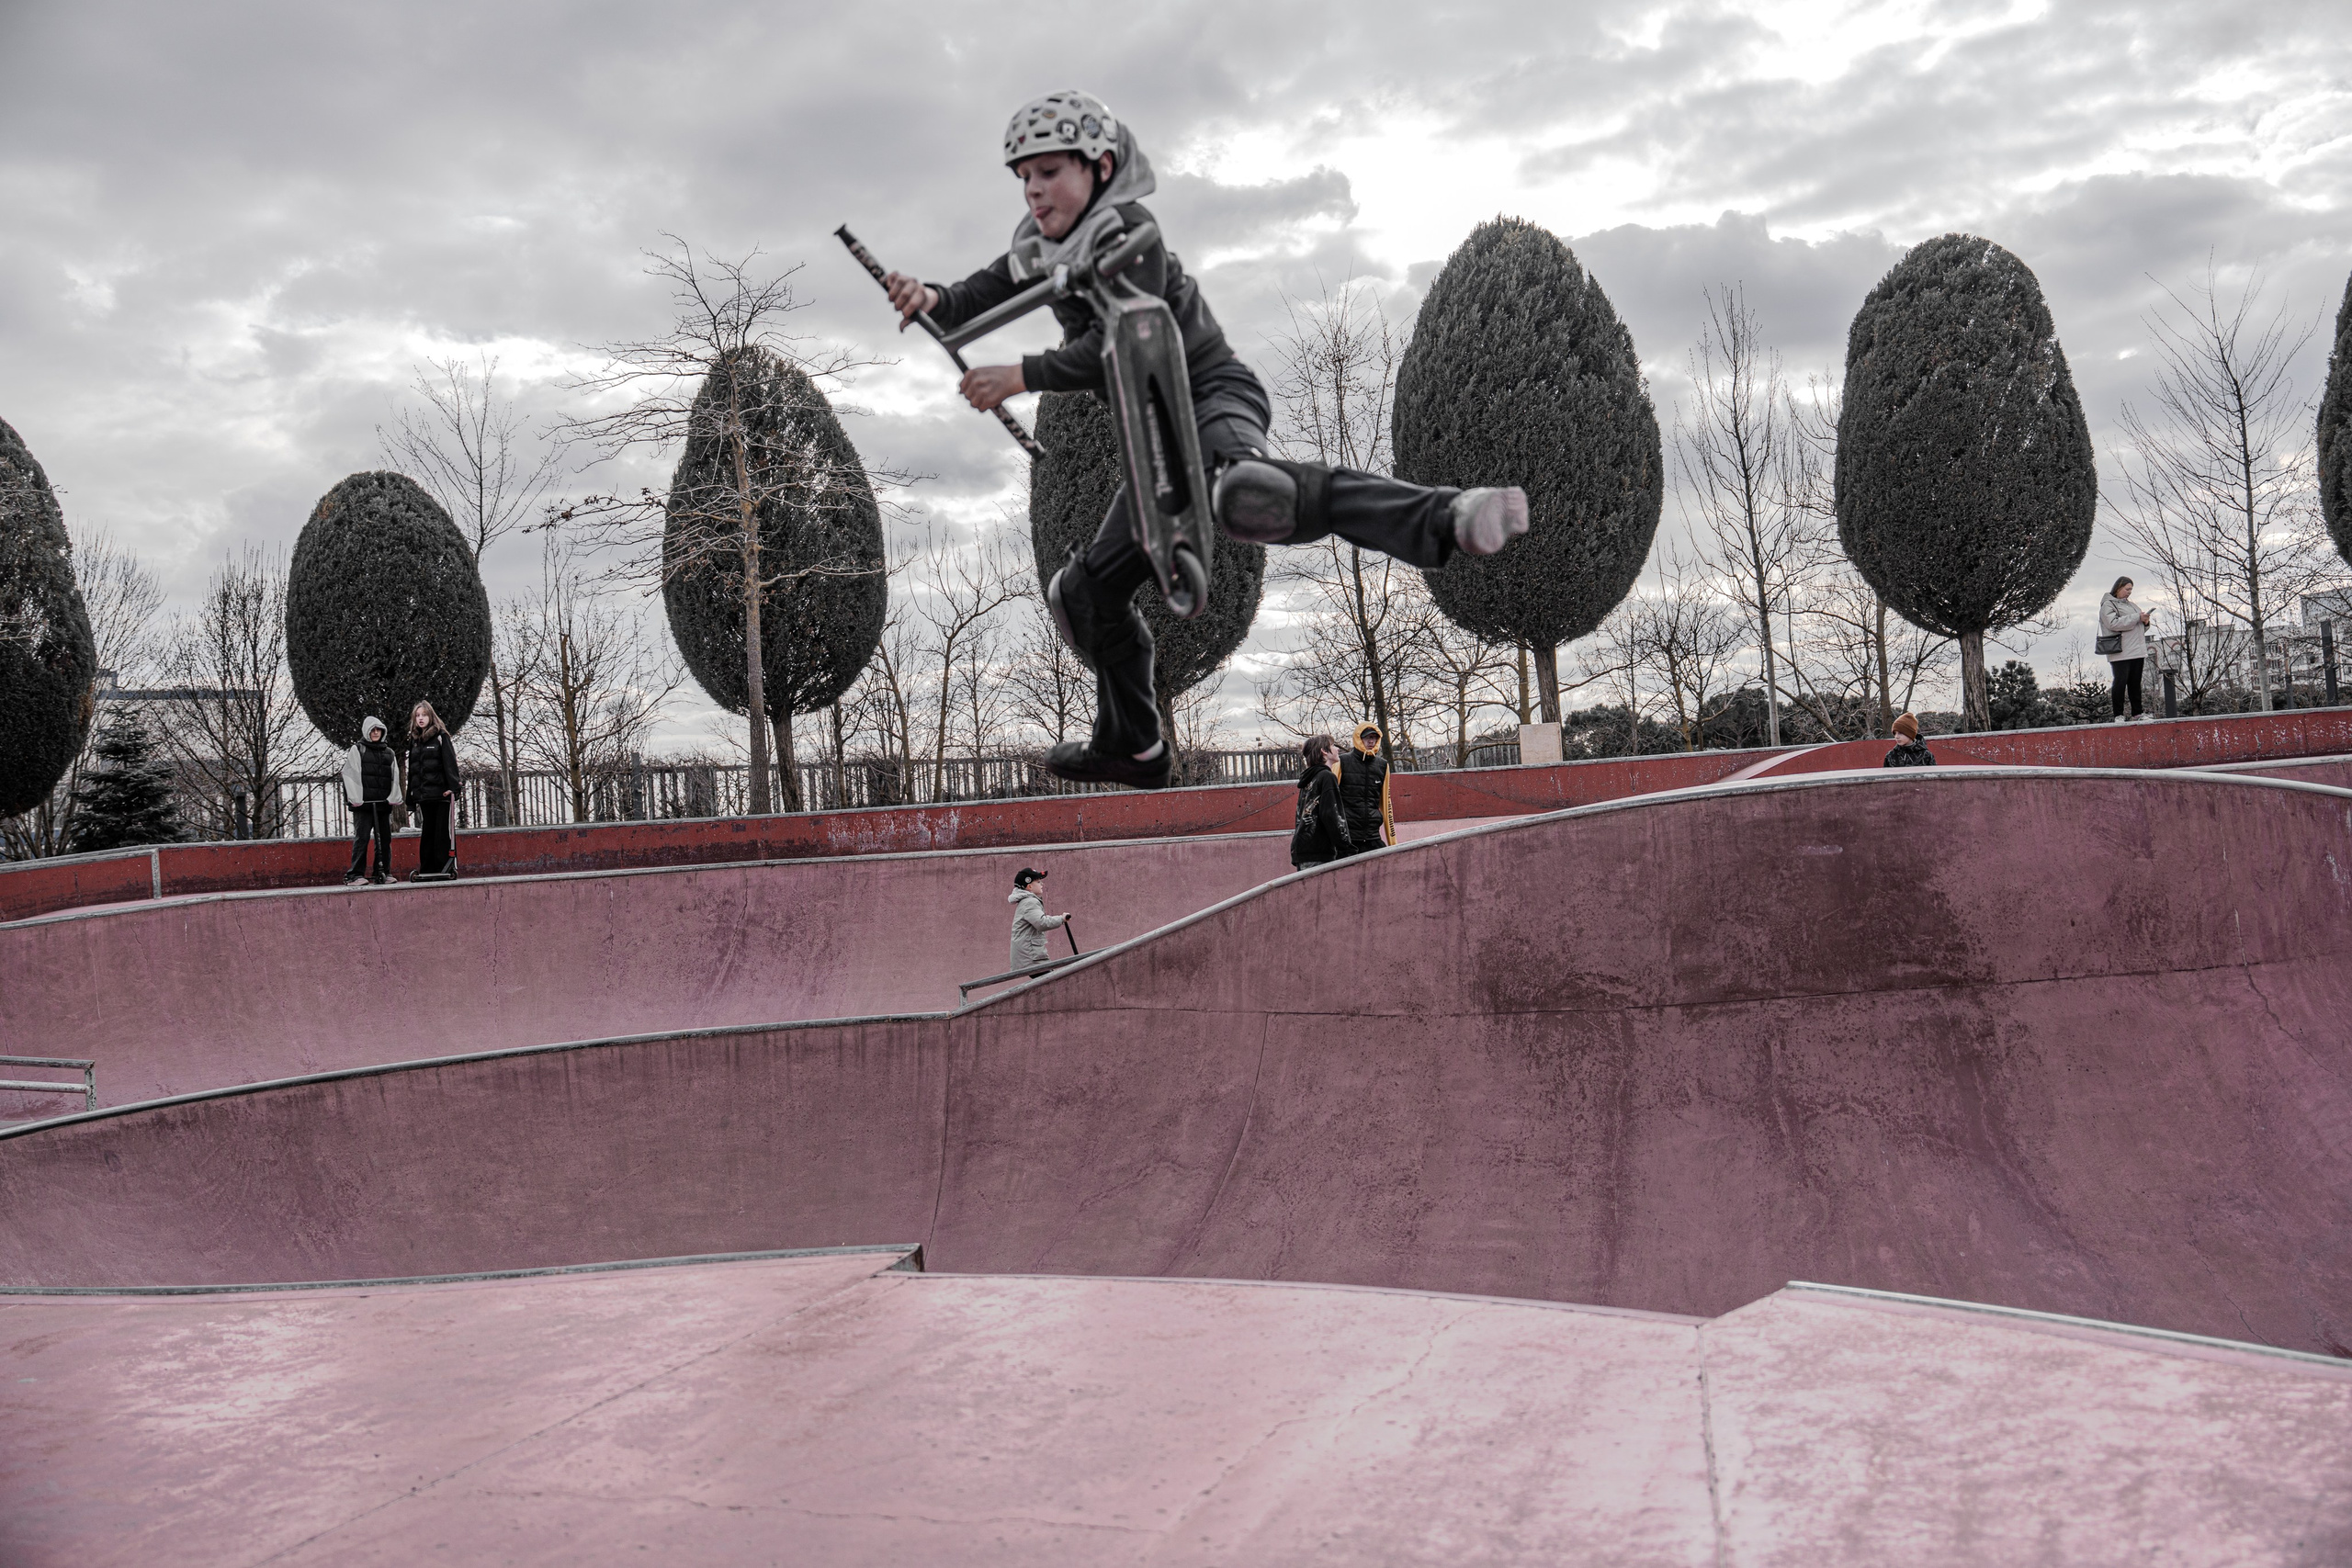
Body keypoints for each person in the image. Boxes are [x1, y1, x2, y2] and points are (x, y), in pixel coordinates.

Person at [883, 91, 1530, 791]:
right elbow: (981, 291)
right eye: (1025, 178)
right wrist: (931, 298)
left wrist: (1022, 374)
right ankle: (1134, 745)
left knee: (1250, 495)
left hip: (1210, 396)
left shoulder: (1129, 237)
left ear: (1099, 167)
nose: (1035, 191)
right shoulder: (1039, 245)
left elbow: (1120, 343)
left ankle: (1448, 516)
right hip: (1156, 436)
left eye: (1050, 173)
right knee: (1084, 594)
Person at [341, 716, 402, 885]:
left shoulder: (389, 753)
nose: (375, 733)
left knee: (384, 839)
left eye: (378, 730)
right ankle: (355, 874)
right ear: (367, 731)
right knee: (362, 838)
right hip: (363, 805)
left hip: (382, 804)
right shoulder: (358, 749)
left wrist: (393, 798)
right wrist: (355, 799)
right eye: (372, 730)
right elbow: (350, 773)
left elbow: (394, 776)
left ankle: (383, 872)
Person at [404, 700, 460, 879]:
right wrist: (410, 798)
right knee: (427, 832)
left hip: (441, 794)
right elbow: (412, 771)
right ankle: (427, 868)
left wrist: (453, 788)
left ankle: (442, 867)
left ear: (430, 716)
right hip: (424, 795)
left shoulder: (440, 737)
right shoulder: (414, 741)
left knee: (441, 832)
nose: (421, 719)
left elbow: (450, 763)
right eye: (418, 716)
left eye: (424, 715)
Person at [1290, 735, 1351, 870]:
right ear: (1324, 751)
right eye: (1333, 746)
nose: (1337, 749)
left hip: (1303, 850)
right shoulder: (1327, 777)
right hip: (1319, 853)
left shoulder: (1309, 779)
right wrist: (1346, 847)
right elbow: (1331, 814)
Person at [2098, 576, 2154, 723]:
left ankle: (2138, 713)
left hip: (2137, 649)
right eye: (2127, 589)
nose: (2129, 592)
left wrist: (2146, 621)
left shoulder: (2132, 605)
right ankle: (2118, 714)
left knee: (2135, 682)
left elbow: (2139, 625)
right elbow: (2113, 623)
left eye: (2131, 590)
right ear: (2118, 587)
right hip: (2120, 650)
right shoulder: (2108, 605)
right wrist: (2137, 617)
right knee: (2120, 682)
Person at [1337, 721, 1393, 855]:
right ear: (1358, 738)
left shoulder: (1382, 765)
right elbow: (1331, 799)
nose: (1371, 741)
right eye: (1367, 737)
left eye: (1374, 737)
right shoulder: (1342, 762)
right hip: (1349, 836)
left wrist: (1393, 843)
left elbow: (1387, 803)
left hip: (1372, 835)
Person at [1008, 866, 1069, 969]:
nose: (1042, 884)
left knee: (1053, 979)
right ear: (1029, 887)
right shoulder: (1030, 902)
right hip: (1031, 958)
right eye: (1038, 882)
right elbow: (1042, 923)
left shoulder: (1026, 901)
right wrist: (1061, 919)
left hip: (1030, 956)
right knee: (1053, 980)